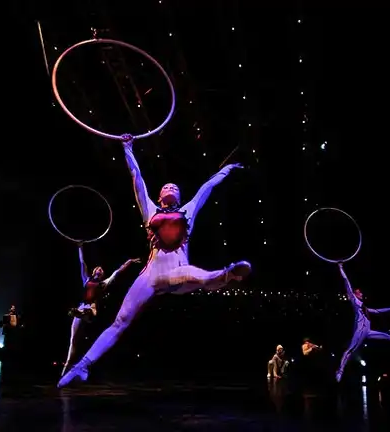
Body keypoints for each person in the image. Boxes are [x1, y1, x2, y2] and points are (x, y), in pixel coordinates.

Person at [58, 134, 252, 387]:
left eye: (175, 187)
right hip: (150, 275)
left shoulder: (188, 210)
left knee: (199, 275)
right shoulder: (150, 210)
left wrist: (227, 169)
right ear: (160, 195)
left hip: (177, 270)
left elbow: (207, 187)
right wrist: (128, 148)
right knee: (120, 321)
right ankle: (82, 366)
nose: (171, 188)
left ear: (179, 196)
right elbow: (137, 178)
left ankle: (228, 274)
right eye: (166, 186)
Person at [335, 262, 390, 382]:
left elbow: (377, 311)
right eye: (359, 292)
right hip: (360, 331)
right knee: (350, 350)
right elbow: (347, 282)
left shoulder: (365, 308)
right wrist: (341, 268)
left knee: (389, 337)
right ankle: (340, 371)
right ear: (355, 294)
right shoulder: (355, 301)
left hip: (368, 331)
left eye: (361, 292)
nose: (361, 293)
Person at [62, 242, 141, 376]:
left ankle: (81, 313)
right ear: (94, 271)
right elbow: (82, 263)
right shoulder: (87, 280)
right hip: (82, 305)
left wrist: (129, 261)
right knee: (73, 340)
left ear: (102, 274)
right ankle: (67, 365)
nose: (99, 269)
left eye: (101, 269)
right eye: (97, 268)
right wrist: (80, 248)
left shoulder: (103, 284)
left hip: (92, 308)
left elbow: (117, 272)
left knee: (90, 311)